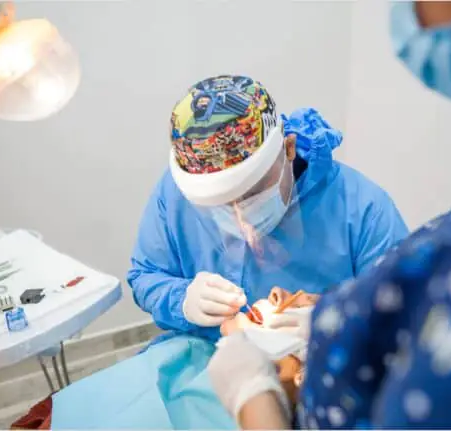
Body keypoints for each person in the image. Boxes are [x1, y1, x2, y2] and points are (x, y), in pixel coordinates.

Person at [207, 3, 451, 429]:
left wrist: (255, 398)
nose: (278, 292)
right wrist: (327, 313)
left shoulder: (369, 211)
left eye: (249, 192)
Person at [127, 75, 408, 343]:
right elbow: (145, 276)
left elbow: (405, 315)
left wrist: (339, 324)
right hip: (204, 355)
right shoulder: (175, 192)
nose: (241, 222)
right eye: (220, 205)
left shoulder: (364, 210)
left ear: (288, 148)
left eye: (252, 194)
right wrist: (182, 300)